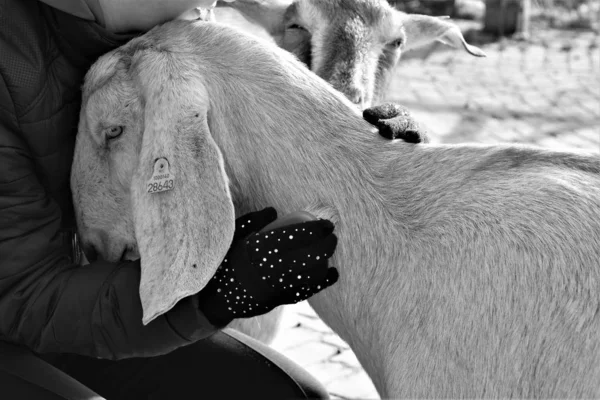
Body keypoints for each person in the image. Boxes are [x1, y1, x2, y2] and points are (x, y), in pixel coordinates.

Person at [0, 0, 428, 398]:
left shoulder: (170, 30)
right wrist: (212, 297)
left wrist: (364, 150)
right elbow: (25, 295)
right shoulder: (12, 57)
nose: (210, 7)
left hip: (102, 304)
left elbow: (221, 166)